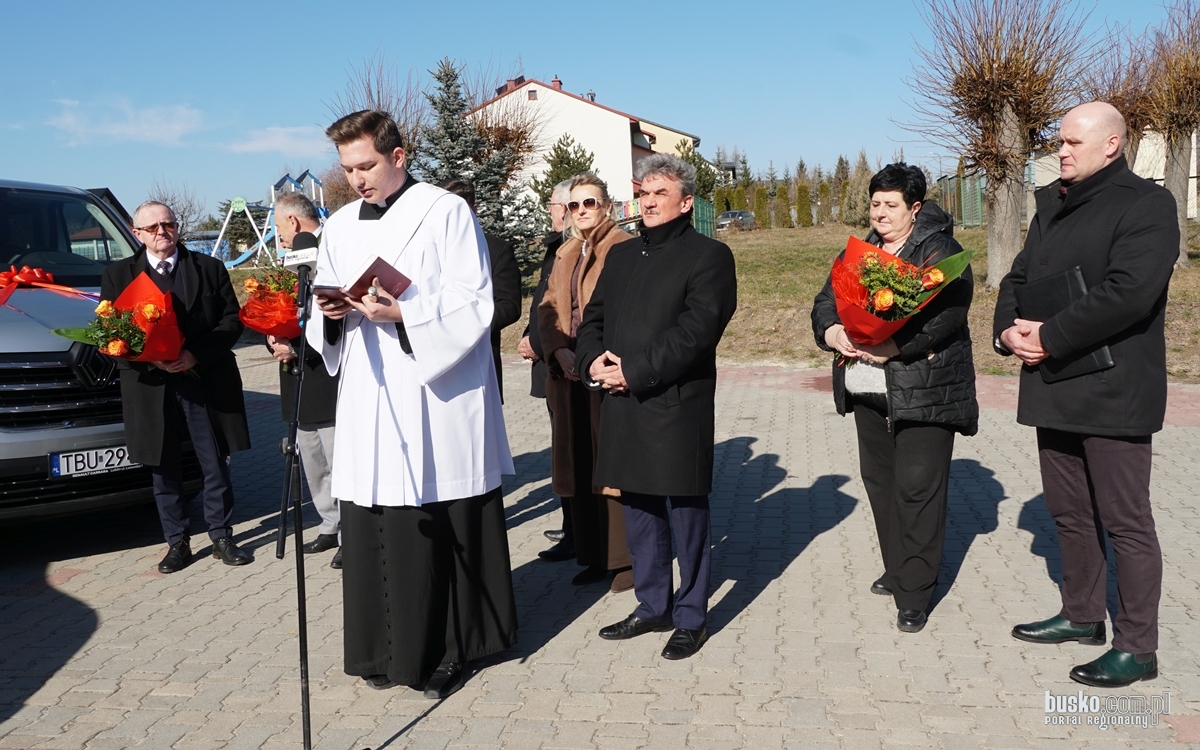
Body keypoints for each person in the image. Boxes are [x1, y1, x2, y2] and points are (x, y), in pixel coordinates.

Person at [307, 110, 517, 700]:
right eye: (348, 169)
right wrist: (330, 313)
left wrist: (404, 313)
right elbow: (325, 299)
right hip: (369, 390)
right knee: (373, 515)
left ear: (398, 156)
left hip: (432, 392)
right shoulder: (340, 224)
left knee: (436, 512)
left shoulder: (444, 211)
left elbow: (474, 301)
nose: (357, 179)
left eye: (366, 166)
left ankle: (452, 648)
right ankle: (383, 646)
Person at [994, 102, 1178, 688]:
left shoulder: (1147, 204)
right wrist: (1007, 332)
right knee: (1069, 513)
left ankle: (1138, 647)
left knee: (1126, 521)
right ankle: (1081, 615)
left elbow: (1130, 292)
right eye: (1059, 142)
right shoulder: (1051, 203)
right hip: (1053, 384)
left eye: (1073, 142)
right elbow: (1018, 277)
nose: (1061, 151)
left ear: (1112, 145)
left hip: (1113, 389)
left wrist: (1050, 336)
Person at [575, 154, 737, 660]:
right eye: (643, 193)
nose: (647, 201)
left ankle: (691, 616)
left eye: (659, 193)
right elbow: (593, 319)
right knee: (639, 509)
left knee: (686, 513)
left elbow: (697, 332)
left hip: (674, 403)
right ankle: (652, 606)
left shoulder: (710, 256)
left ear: (686, 202)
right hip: (623, 401)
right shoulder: (623, 255)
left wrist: (634, 369)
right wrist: (592, 361)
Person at [811, 163, 977, 634]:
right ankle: (899, 567)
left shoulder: (939, 250)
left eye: (890, 205)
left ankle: (916, 593)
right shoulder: (861, 252)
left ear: (915, 208)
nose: (880, 213)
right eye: (875, 204)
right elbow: (826, 300)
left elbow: (948, 314)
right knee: (881, 484)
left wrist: (896, 346)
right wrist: (833, 331)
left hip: (924, 391)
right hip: (868, 389)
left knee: (918, 490)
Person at [101, 201, 252, 574]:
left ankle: (221, 536)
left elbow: (231, 321)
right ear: (137, 234)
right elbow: (109, 333)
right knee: (163, 466)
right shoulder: (118, 275)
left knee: (214, 461)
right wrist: (149, 358)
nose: (161, 232)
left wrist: (195, 355)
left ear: (177, 227)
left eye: (167, 224)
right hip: (151, 385)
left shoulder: (209, 268)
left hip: (204, 380)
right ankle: (177, 543)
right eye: (152, 227)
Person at [538, 173, 634, 592]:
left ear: (607, 206)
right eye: (574, 205)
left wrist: (595, 358)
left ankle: (626, 560)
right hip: (568, 375)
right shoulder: (566, 252)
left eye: (589, 203)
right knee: (578, 463)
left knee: (611, 465)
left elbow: (629, 312)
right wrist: (557, 350)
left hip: (604, 371)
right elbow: (547, 308)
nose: (581, 211)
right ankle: (593, 554)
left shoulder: (623, 247)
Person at [266, 192, 342, 569]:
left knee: (338, 459)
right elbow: (283, 309)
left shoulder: (334, 246)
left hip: (328, 375)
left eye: (278, 227)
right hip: (297, 379)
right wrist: (273, 338)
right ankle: (329, 522)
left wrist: (295, 344)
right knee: (311, 458)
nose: (278, 235)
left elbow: (336, 319)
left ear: (293, 221)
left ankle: (351, 533)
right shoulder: (291, 259)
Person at [520, 179, 578, 562]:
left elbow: (565, 307)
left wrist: (538, 344)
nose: (550, 211)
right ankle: (572, 526)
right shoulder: (556, 246)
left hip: (564, 362)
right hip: (549, 364)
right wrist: (529, 336)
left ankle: (577, 533)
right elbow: (542, 302)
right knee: (562, 452)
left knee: (570, 453)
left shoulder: (573, 248)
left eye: (553, 205)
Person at [436, 178, 522, 399]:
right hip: (435, 360)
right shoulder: (429, 249)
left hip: (480, 359)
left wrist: (468, 325)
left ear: (473, 209)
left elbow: (509, 306)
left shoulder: (497, 249)